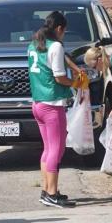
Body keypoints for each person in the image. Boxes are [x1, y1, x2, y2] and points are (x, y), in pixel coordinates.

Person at [28, 11, 89, 208]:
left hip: (37, 103)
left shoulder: (34, 43)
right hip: (52, 104)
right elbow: (59, 77)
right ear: (60, 29)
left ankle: (47, 190)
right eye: (64, 31)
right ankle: (52, 193)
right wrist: (76, 84)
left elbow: (61, 56)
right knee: (57, 149)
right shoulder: (56, 46)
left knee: (47, 149)